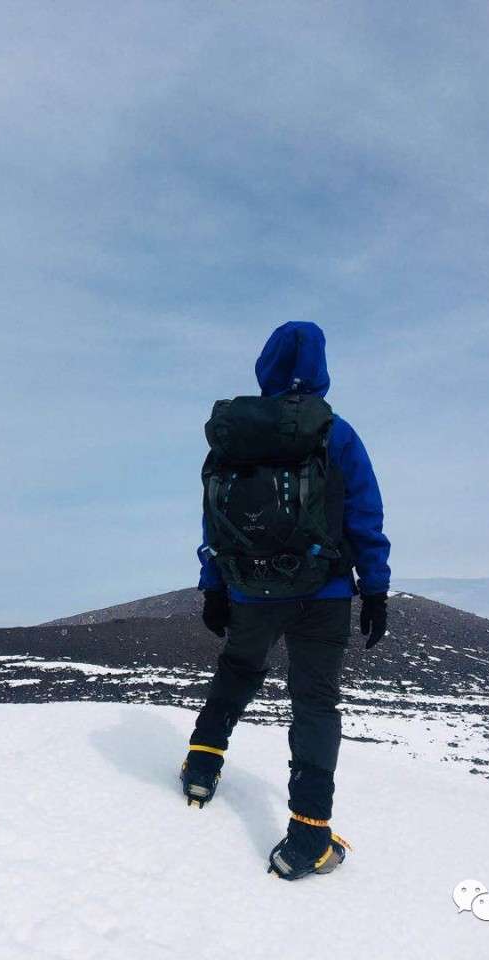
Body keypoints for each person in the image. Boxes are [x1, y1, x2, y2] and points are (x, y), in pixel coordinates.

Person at [181, 320, 391, 881]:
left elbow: (214, 519)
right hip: (322, 591)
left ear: (265, 366)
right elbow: (365, 514)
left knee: (240, 666)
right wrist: (374, 588)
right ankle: (308, 837)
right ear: (321, 371)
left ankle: (202, 762)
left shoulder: (235, 435)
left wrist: (213, 586)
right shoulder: (336, 432)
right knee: (314, 703)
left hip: (250, 587)